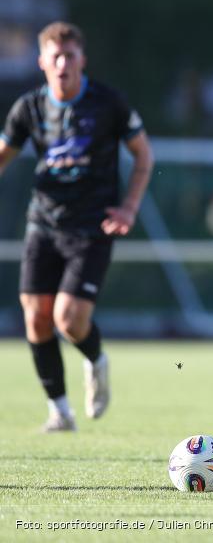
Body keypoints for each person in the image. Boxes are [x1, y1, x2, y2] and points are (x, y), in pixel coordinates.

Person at [0, 22, 153, 432]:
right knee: (36, 319)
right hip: (43, 223)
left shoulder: (108, 104)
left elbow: (143, 156)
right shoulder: (28, 108)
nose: (63, 63)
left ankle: (95, 359)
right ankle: (60, 411)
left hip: (92, 226)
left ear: (82, 59)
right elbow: (3, 155)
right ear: (42, 62)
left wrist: (129, 207)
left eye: (70, 55)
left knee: (69, 320)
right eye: (56, 56)